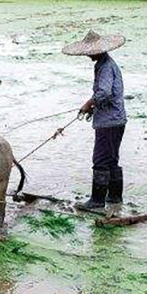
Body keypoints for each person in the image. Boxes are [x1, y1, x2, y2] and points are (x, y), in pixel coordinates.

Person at [62, 30, 127, 212]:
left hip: (109, 122)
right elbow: (106, 94)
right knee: (112, 160)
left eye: (90, 52)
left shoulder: (105, 66)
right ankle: (114, 198)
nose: (88, 55)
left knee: (100, 160)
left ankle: (97, 201)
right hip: (116, 119)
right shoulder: (105, 64)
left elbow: (104, 93)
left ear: (98, 51)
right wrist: (93, 108)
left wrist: (88, 104)